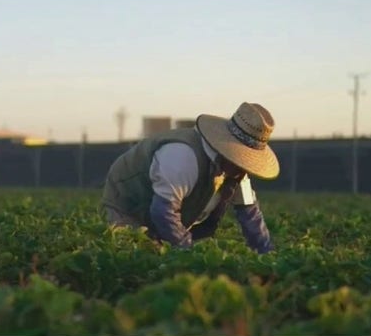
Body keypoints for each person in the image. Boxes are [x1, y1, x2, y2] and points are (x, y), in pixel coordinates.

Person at [101, 102, 279, 254]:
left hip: (170, 214)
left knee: (167, 253)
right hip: (128, 204)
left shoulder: (236, 171)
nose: (244, 170)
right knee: (137, 256)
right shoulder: (183, 156)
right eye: (241, 160)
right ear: (228, 152)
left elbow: (250, 214)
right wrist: (188, 252)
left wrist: (266, 254)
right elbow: (163, 213)